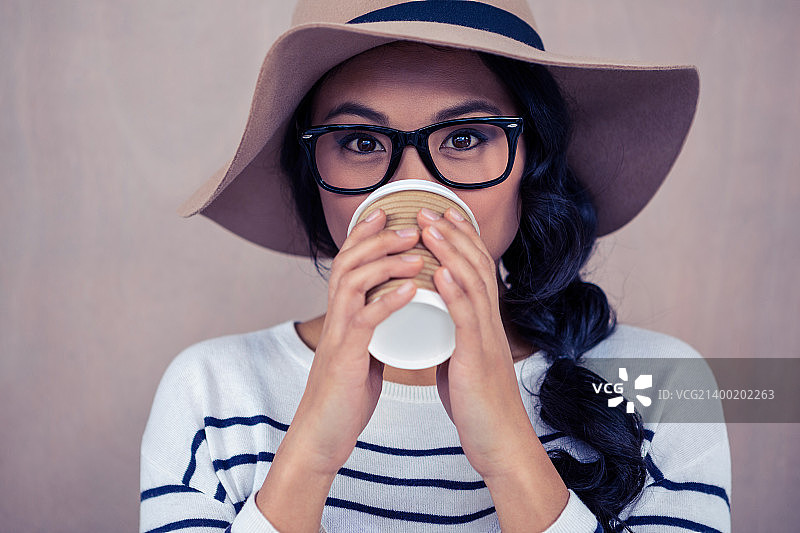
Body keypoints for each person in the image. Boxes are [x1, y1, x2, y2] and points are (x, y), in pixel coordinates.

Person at [140, 1, 731, 532]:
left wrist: (506, 449)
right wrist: (312, 454)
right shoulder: (212, 391)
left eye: (467, 137)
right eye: (362, 142)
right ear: (311, 176)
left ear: (533, 164)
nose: (413, 185)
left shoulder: (668, 387)